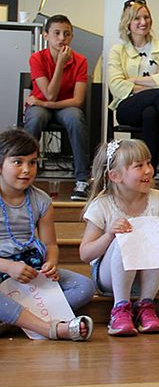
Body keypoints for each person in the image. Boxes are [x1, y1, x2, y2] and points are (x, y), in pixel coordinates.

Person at [0, 128, 94, 340]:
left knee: (85, 286)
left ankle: (14, 321)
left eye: (32, 162)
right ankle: (49, 328)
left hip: (29, 268)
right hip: (4, 267)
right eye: (18, 162)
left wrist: (50, 262)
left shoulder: (41, 200)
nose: (27, 169)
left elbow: (50, 244)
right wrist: (8, 266)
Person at [80, 138, 159, 336]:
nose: (149, 170)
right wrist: (109, 235)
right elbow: (85, 254)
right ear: (115, 176)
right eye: (139, 166)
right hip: (110, 279)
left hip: (147, 280)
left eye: (149, 163)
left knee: (158, 234)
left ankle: (145, 305)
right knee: (126, 239)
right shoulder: (102, 205)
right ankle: (120, 308)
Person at [107, 0, 159, 184]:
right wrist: (154, 83)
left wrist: (134, 80)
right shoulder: (117, 50)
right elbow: (116, 85)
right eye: (137, 18)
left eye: (147, 17)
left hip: (152, 108)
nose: (143, 22)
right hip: (127, 108)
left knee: (151, 112)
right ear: (127, 22)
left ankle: (147, 174)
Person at [24, 15, 91, 201]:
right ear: (46, 36)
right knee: (35, 118)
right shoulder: (37, 59)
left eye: (67, 34)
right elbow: (50, 93)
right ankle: (23, 174)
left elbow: (77, 100)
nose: (62, 38)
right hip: (41, 107)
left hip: (62, 106)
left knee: (76, 118)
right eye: (56, 33)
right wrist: (60, 64)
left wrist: (44, 103)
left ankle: (82, 181)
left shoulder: (80, 61)